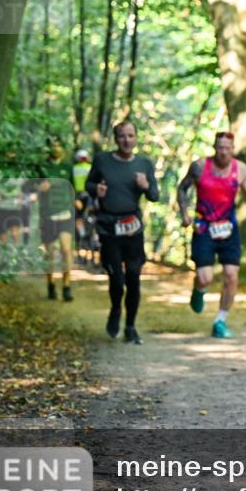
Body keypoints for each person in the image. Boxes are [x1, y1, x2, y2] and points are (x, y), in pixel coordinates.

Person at [177, 131, 246, 339]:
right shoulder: (200, 166)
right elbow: (182, 189)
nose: (223, 152)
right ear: (214, 147)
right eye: (220, 147)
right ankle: (199, 289)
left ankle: (220, 321)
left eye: (227, 148)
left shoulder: (240, 169)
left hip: (228, 228)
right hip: (203, 227)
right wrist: (184, 213)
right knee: (205, 278)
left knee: (231, 275)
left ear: (233, 149)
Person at [85, 120, 159, 344]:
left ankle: (130, 327)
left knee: (133, 277)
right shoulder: (103, 161)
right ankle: (116, 308)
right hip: (109, 228)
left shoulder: (144, 163)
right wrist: (96, 189)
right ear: (115, 139)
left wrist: (146, 186)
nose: (126, 140)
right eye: (122, 136)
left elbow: (155, 196)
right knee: (117, 279)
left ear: (136, 138)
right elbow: (88, 184)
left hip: (133, 228)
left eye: (130, 135)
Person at [27, 141, 76, 301]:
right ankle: (51, 284)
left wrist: (78, 203)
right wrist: (39, 187)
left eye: (58, 145)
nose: (56, 148)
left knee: (66, 250)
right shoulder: (41, 168)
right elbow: (28, 188)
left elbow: (74, 188)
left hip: (65, 214)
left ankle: (67, 286)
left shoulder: (68, 167)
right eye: (53, 145)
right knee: (50, 253)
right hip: (47, 216)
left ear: (63, 148)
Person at [72, 149, 93, 264]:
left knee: (79, 219)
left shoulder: (74, 168)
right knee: (82, 219)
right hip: (86, 196)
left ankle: (83, 233)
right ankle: (85, 235)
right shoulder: (90, 167)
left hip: (81, 197)